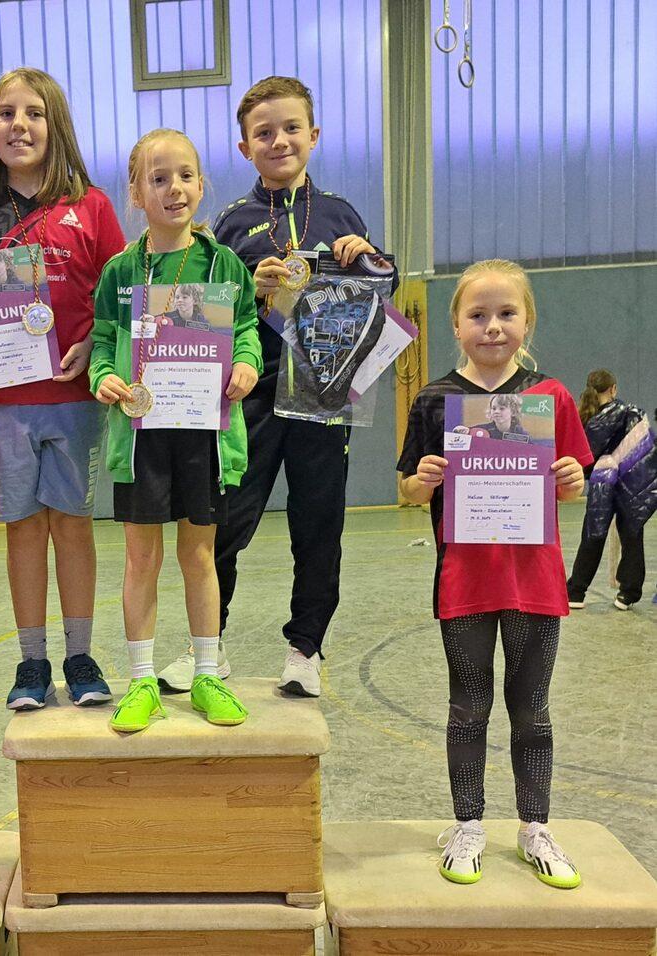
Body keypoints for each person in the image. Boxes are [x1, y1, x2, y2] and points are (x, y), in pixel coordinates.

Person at [159, 76, 399, 698]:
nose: (279, 140)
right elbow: (204, 311)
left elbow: (380, 301)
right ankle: (207, 649)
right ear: (244, 147)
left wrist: (367, 259)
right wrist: (248, 284)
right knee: (225, 521)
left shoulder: (343, 214)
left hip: (323, 390)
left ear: (313, 136)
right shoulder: (229, 226)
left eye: (291, 128)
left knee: (317, 523)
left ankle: (305, 649)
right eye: (263, 132)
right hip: (250, 393)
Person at [397, 259, 591, 890]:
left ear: (527, 319)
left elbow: (573, 483)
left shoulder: (552, 397)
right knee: (467, 707)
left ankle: (535, 827)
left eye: (506, 313)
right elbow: (404, 488)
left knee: (531, 711)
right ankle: (468, 825)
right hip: (465, 582)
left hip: (535, 582)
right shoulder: (435, 400)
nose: (492, 327)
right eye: (478, 315)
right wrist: (420, 481)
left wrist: (571, 478)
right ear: (455, 323)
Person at [0, 68, 126, 710]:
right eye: (6, 113)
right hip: (4, 400)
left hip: (73, 397)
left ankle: (79, 655)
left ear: (56, 125)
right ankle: (33, 663)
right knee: (22, 527)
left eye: (34, 113)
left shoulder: (92, 206)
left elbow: (117, 294)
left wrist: (96, 344)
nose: (19, 125)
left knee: (72, 523)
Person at [90, 128, 262, 732]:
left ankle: (208, 670)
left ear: (201, 184)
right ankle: (140, 681)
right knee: (141, 557)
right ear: (136, 193)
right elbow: (105, 342)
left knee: (199, 554)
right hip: (142, 436)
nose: (174, 188)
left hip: (204, 433)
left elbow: (245, 328)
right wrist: (104, 376)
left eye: (185, 175)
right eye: (158, 178)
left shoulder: (225, 264)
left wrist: (247, 363)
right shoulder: (120, 271)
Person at [567, 369, 647, 611]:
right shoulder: (631, 413)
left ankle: (576, 592)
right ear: (613, 389)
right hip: (629, 483)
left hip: (602, 483)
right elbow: (643, 450)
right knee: (632, 536)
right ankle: (627, 593)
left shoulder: (584, 419)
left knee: (592, 535)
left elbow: (583, 456)